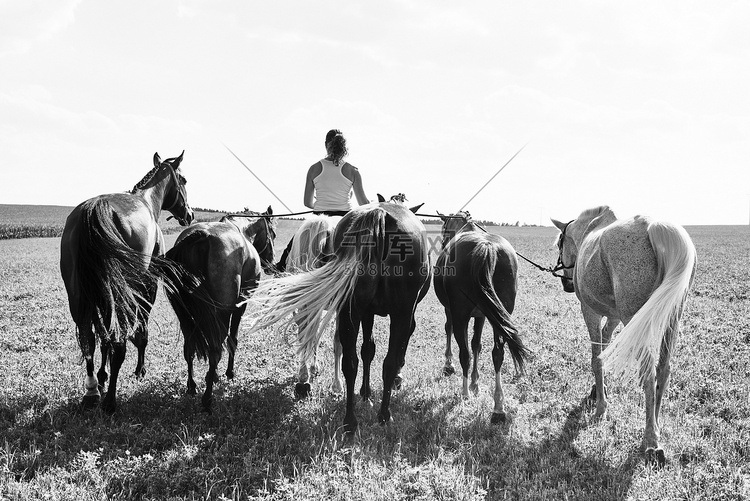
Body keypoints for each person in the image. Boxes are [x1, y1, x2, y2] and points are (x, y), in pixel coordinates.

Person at [274, 129, 370, 273]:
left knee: (294, 243)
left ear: (326, 145)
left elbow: (307, 202)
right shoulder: (353, 170)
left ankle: (280, 267)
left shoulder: (314, 169)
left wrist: (319, 205)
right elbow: (363, 203)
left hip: (318, 215)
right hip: (345, 219)